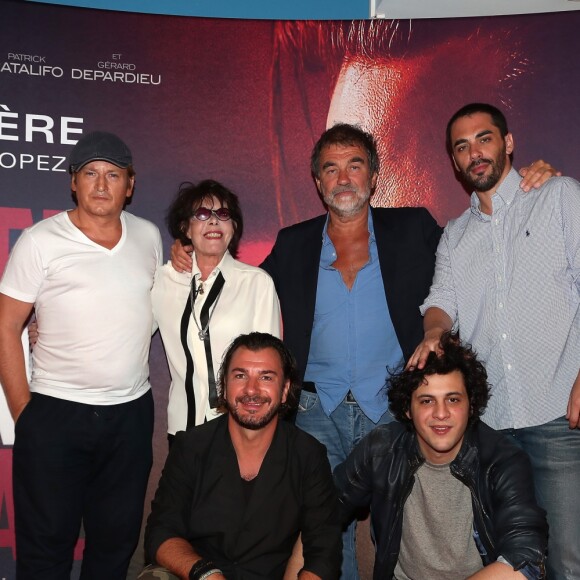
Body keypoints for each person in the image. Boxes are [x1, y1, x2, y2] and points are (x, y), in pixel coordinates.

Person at [171, 123, 556, 579]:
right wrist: (195, 254)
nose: (344, 178)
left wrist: (526, 182)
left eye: (355, 165)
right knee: (321, 530)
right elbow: (241, 285)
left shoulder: (413, 228)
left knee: (402, 527)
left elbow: (475, 252)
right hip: (316, 412)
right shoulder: (294, 242)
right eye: (331, 169)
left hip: (397, 412)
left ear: (373, 176)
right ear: (318, 182)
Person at [409, 103, 580, 579]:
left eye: (483, 139)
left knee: (569, 561)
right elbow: (441, 298)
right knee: (508, 563)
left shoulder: (560, 197)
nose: (473, 153)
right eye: (461, 147)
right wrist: (435, 331)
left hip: (558, 418)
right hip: (493, 428)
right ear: (454, 162)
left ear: (508, 143)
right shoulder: (455, 236)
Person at [0, 131, 162, 579]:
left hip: (129, 417)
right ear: (73, 182)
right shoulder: (40, 241)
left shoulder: (149, 237)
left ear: (130, 184)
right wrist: (25, 415)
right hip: (54, 414)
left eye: (113, 174)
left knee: (114, 546)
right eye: (89, 173)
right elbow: (6, 325)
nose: (101, 184)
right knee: (45, 550)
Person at [335, 332, 548, 579]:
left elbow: (525, 559)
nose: (441, 413)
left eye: (453, 399)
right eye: (427, 401)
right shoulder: (382, 449)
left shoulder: (502, 460)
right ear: (407, 409)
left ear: (470, 405)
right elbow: (324, 512)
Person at [141, 332, 341, 580]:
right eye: (240, 375)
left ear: (285, 389)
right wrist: (208, 574)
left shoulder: (308, 455)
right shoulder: (191, 446)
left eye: (266, 377)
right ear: (224, 386)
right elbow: (161, 531)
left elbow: (324, 549)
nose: (251, 390)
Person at [152, 180, 280, 440]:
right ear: (185, 228)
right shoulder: (162, 281)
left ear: (234, 227)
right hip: (182, 427)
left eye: (223, 214)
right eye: (201, 214)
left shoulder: (256, 283)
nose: (213, 222)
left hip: (242, 430)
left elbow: (271, 366)